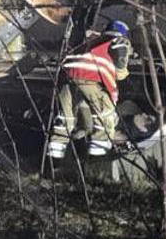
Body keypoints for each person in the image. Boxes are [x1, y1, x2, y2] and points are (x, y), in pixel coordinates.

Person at [47, 19, 132, 159]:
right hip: (91, 76)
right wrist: (123, 69)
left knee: (65, 114)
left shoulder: (91, 39)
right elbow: (120, 66)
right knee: (106, 111)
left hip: (68, 76)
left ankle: (57, 145)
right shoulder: (119, 41)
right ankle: (99, 143)